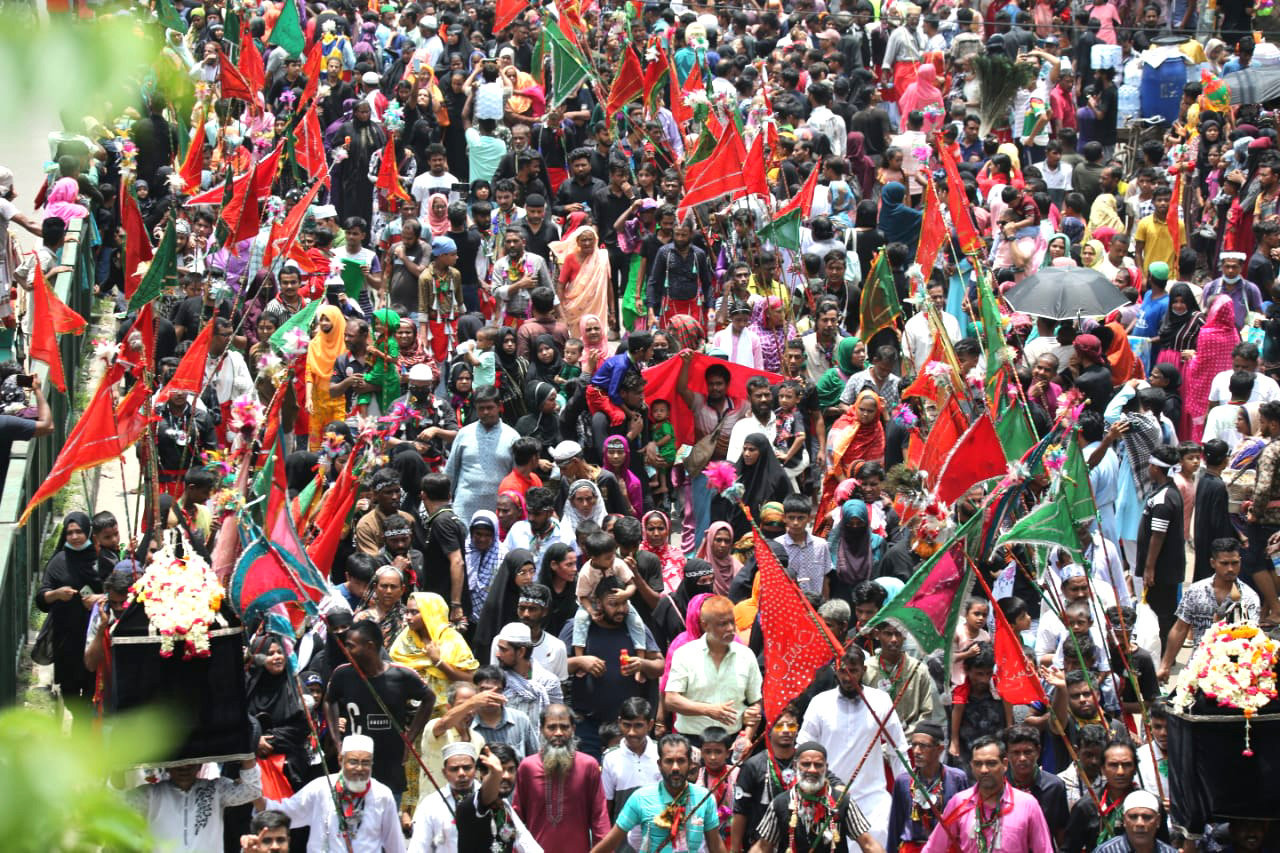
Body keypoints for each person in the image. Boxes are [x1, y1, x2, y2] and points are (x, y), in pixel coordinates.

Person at [799, 644, 906, 848]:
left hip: (873, 800)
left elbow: (898, 750)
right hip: (830, 797)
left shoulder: (880, 701)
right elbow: (804, 748)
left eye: (853, 671)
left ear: (864, 670)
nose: (847, 678)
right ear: (835, 670)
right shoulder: (820, 703)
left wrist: (906, 795)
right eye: (842, 671)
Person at [324, 620, 435, 804]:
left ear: (370, 646)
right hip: (355, 765)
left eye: (351, 646)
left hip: (390, 766)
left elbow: (429, 698)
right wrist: (337, 741)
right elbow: (329, 701)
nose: (346, 651)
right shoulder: (342, 674)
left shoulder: (401, 676)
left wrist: (410, 737)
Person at [260, 734, 407, 853]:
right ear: (340, 760)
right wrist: (256, 799)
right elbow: (287, 812)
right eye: (354, 762)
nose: (360, 768)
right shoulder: (320, 788)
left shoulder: (382, 795)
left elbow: (395, 844)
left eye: (366, 763)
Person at [590, 733, 727, 853]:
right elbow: (611, 842)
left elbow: (715, 844)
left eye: (681, 761)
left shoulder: (704, 798)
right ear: (659, 764)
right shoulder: (640, 798)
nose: (675, 768)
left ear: (690, 763)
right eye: (669, 761)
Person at [36, 511, 108, 725]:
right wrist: (57, 594)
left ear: (88, 531)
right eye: (69, 532)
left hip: (93, 635)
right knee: (68, 690)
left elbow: (117, 592)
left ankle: (84, 729)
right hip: (66, 637)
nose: (75, 536)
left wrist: (99, 598)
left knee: (91, 686)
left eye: (79, 531)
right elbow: (42, 598)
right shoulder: (59, 561)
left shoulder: (99, 558)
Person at [920, 737, 1054, 852]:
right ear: (971, 766)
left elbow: (1044, 849)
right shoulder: (959, 802)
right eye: (978, 764)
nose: (984, 770)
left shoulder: (1027, 804)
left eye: (991, 763)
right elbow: (934, 848)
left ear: (1005, 764)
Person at [749, 741, 884, 853]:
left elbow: (868, 844)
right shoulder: (780, 803)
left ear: (826, 768)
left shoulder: (842, 802)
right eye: (806, 764)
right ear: (796, 766)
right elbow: (762, 847)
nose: (812, 770)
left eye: (818, 765)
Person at [665, 595, 763, 748]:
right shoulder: (684, 654)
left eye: (732, 621)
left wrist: (747, 736)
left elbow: (756, 702)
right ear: (706, 625)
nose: (730, 628)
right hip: (692, 743)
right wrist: (708, 710)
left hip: (731, 743)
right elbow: (671, 700)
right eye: (722, 624)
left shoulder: (746, 655)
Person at [512, 704, 612, 849]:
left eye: (564, 727)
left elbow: (599, 817)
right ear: (541, 730)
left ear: (573, 730)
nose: (558, 733)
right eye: (552, 727)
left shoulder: (588, 766)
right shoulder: (528, 767)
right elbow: (517, 819)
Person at [1158, 538, 1260, 680]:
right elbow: (1180, 628)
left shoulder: (1249, 598)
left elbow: (1250, 638)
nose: (1230, 568)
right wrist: (1165, 665)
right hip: (1197, 668)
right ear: (1213, 563)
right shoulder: (1195, 591)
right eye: (1224, 563)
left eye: (1235, 563)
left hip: (1234, 673)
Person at [129, 758, 261, 853]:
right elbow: (115, 802)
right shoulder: (149, 794)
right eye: (178, 763)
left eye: (190, 763)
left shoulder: (216, 789)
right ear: (167, 765)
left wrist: (247, 757)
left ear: (200, 764)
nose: (184, 767)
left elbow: (252, 791)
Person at [885, 722, 969, 853]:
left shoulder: (956, 778)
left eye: (923, 746)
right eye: (914, 745)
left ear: (939, 749)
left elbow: (965, 823)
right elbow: (895, 825)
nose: (917, 751)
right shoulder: (903, 781)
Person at [445, 386, 520, 531]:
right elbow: (451, 471)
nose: (486, 412)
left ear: (499, 406)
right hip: (464, 508)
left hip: (498, 511)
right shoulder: (464, 434)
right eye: (481, 408)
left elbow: (516, 477)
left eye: (490, 407)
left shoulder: (512, 437)